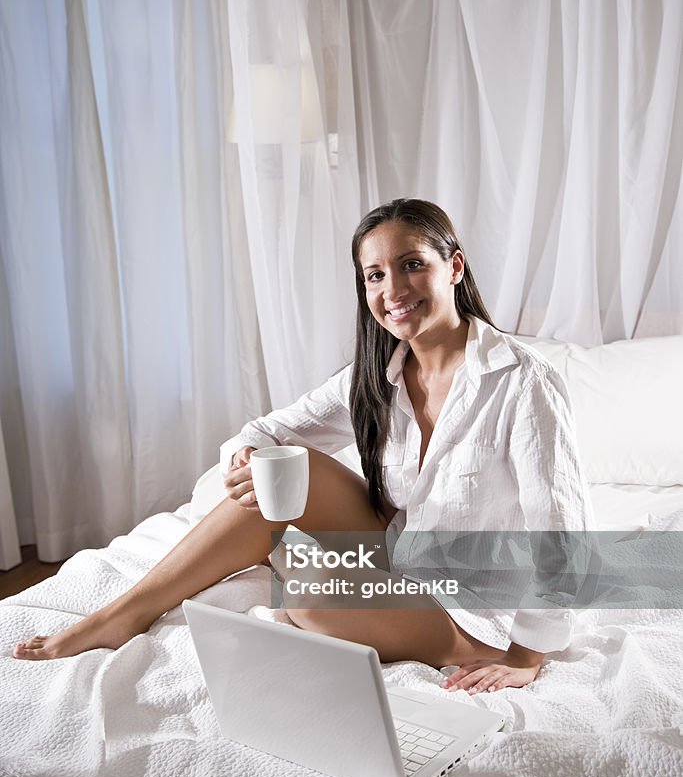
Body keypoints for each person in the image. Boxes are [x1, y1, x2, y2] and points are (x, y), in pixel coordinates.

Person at [13, 198, 594, 694]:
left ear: (454, 267)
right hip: (396, 558)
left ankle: (415, 626)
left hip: (471, 604)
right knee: (276, 467)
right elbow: (261, 434)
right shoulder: (374, 373)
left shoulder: (523, 382)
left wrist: (526, 654)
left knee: (312, 598)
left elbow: (562, 531)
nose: (393, 289)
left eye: (412, 265)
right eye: (374, 274)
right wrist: (249, 467)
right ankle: (123, 614)